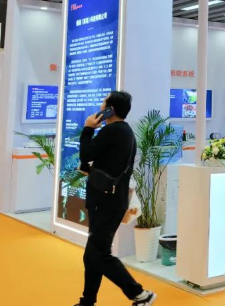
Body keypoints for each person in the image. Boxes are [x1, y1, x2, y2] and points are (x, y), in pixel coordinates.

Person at [75, 91, 157, 306]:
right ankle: (87, 301)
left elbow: (86, 154)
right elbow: (109, 164)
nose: (100, 106)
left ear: (110, 109)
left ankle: (140, 294)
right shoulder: (125, 131)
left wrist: (88, 128)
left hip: (105, 202)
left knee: (99, 254)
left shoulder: (111, 131)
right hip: (111, 199)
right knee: (92, 255)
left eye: (104, 103)